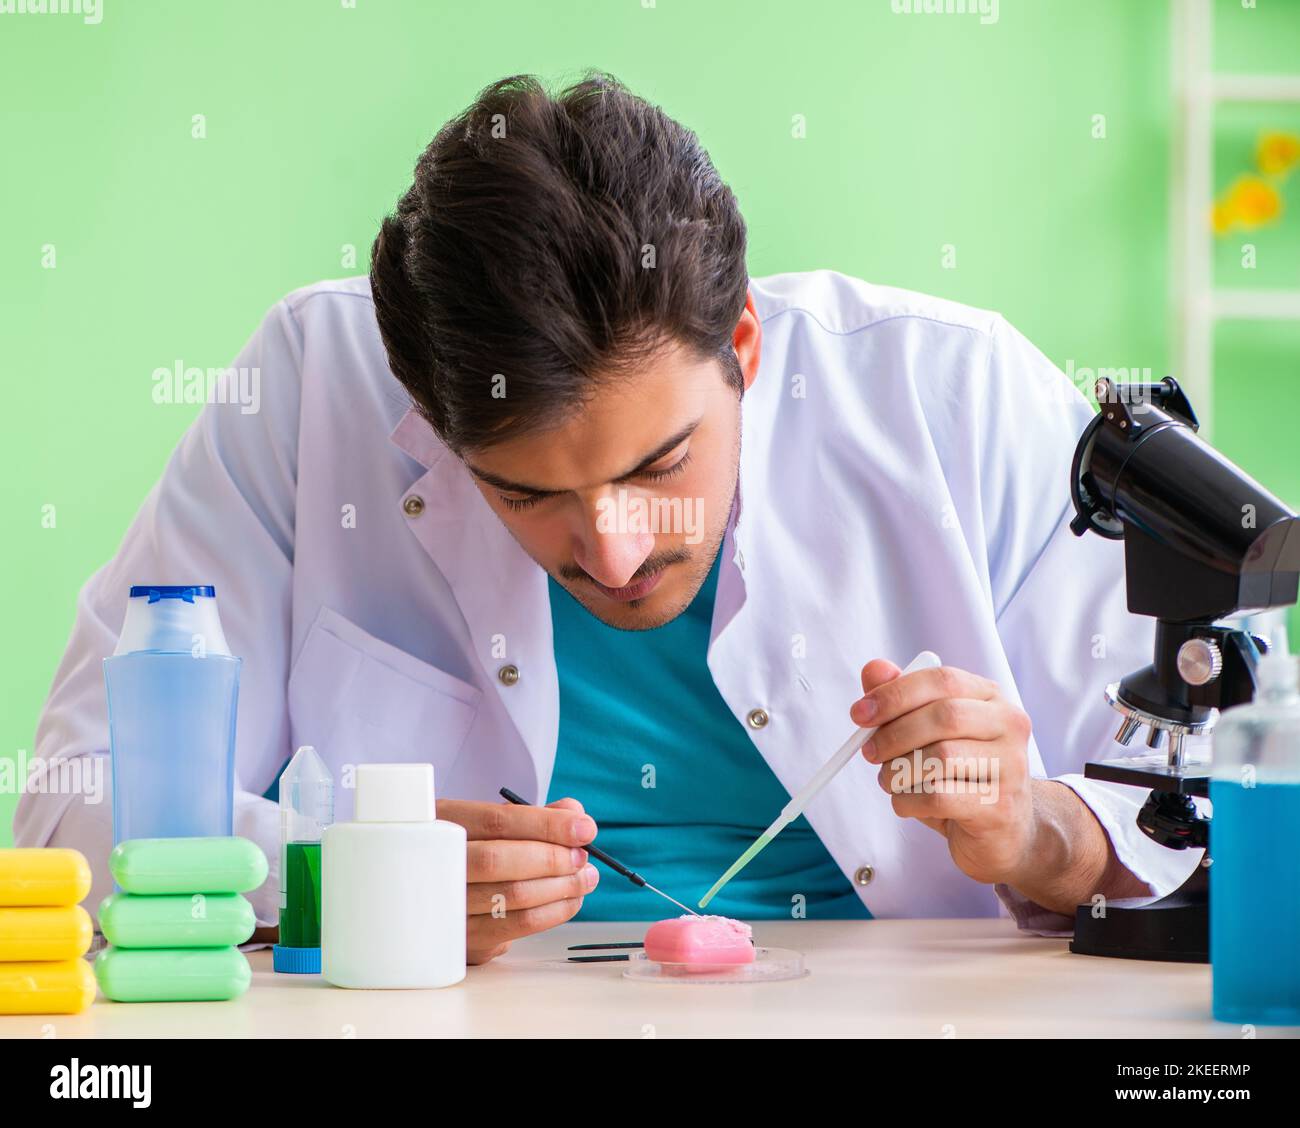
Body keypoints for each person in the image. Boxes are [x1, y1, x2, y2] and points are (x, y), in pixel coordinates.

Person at [19, 73, 1200, 965]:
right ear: (429, 421)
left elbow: (1221, 814)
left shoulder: (957, 397)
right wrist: (340, 877)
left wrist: (1043, 832)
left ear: (739, 346)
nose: (616, 551)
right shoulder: (310, 390)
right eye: (526, 494)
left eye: (659, 462)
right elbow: (69, 809)